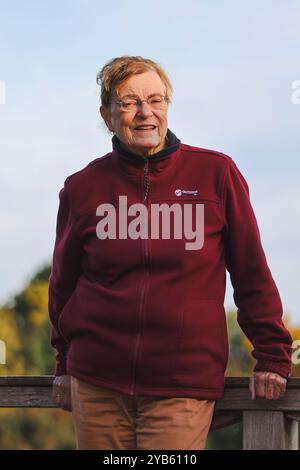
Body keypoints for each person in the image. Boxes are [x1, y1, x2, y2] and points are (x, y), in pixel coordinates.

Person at [48, 55, 293, 450]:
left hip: (182, 382)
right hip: (96, 382)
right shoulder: (82, 186)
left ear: (167, 107)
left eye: (156, 100)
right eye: (129, 102)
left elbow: (251, 274)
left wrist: (272, 356)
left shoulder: (216, 174)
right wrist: (63, 363)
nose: (145, 112)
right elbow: (64, 283)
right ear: (107, 114)